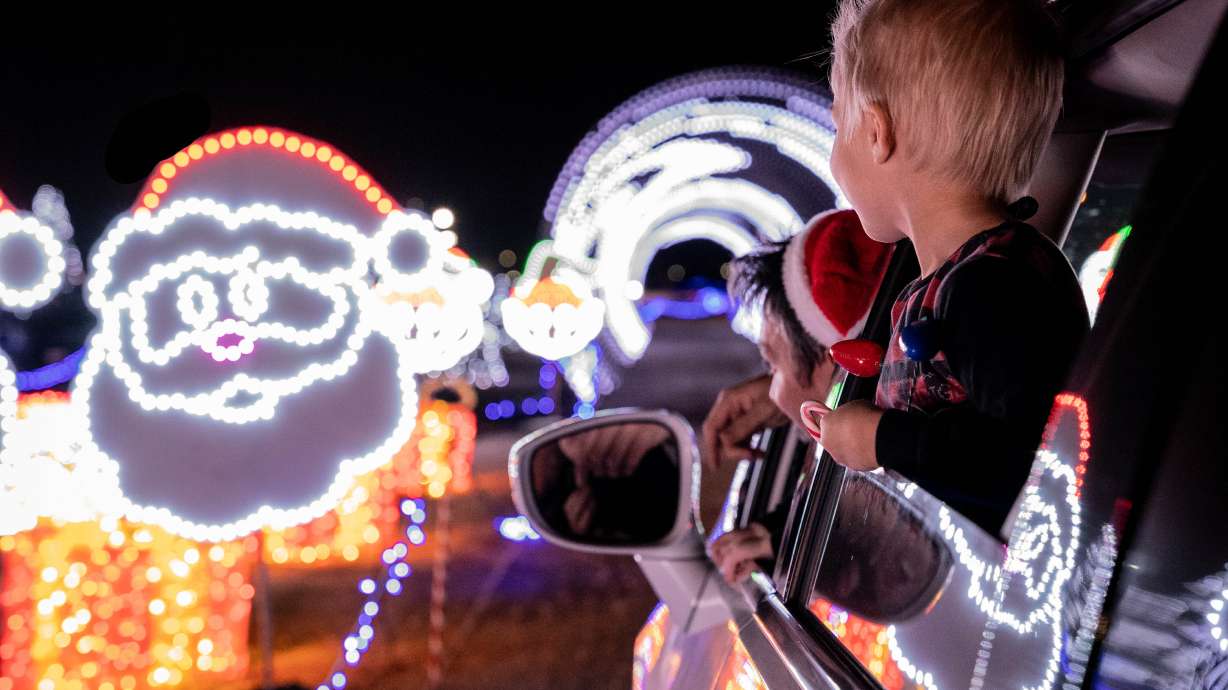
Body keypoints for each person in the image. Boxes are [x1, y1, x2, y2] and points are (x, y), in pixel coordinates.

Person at [813, 0, 1090, 535]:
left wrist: (879, 439)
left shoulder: (992, 288)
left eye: (836, 127)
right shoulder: (979, 277)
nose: (833, 155)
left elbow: (1025, 466)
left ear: (876, 132)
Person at [704, 209, 892, 583]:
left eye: (771, 363)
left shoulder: (890, 457)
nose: (772, 393)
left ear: (830, 356)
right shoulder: (918, 430)